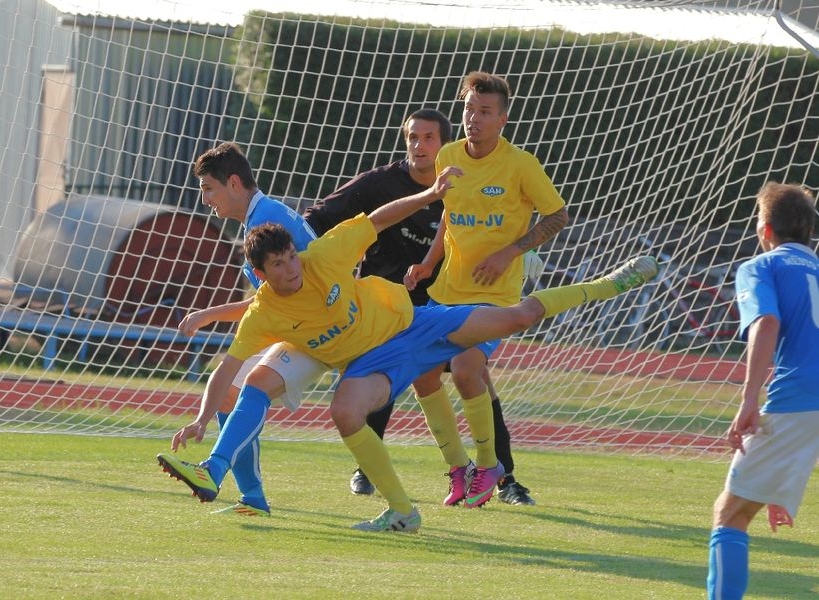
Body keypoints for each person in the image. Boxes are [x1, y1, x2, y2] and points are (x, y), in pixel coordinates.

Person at [157, 163, 658, 532]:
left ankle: (613, 282)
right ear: (261, 276)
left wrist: (431, 195)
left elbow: (376, 219)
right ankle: (401, 510)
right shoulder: (265, 310)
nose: (294, 268)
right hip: (370, 358)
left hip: (413, 324)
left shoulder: (320, 257)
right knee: (344, 411)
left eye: (293, 258)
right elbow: (229, 365)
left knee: (520, 316)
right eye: (283, 265)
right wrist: (200, 418)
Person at [303, 107, 539, 505]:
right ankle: (372, 468)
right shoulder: (379, 184)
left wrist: (507, 255)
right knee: (386, 372)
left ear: (445, 144)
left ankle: (505, 477)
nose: (419, 144)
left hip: (446, 300)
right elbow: (319, 218)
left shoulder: (467, 181)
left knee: (474, 373)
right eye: (413, 136)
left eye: (429, 137)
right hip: (385, 304)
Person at [405, 71, 569, 508]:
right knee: (420, 374)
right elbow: (449, 216)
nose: (473, 119)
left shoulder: (522, 165)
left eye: (485, 112)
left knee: (464, 369)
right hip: (446, 290)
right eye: (468, 109)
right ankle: (459, 468)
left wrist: (509, 253)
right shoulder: (449, 156)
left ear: (503, 119)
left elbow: (557, 216)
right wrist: (428, 263)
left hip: (494, 297)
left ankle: (488, 465)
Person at [172, 141, 327, 517]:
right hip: (296, 324)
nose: (205, 199)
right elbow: (268, 303)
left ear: (235, 183)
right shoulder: (262, 216)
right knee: (230, 392)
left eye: (209, 188)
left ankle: (214, 470)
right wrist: (210, 315)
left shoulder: (263, 223)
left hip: (317, 327)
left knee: (250, 385)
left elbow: (275, 299)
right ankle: (252, 498)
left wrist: (208, 315)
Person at [706, 182, 819, 599]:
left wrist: (749, 399)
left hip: (799, 401)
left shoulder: (762, 266)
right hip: (808, 409)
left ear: (765, 230)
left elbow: (766, 324)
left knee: (730, 513)